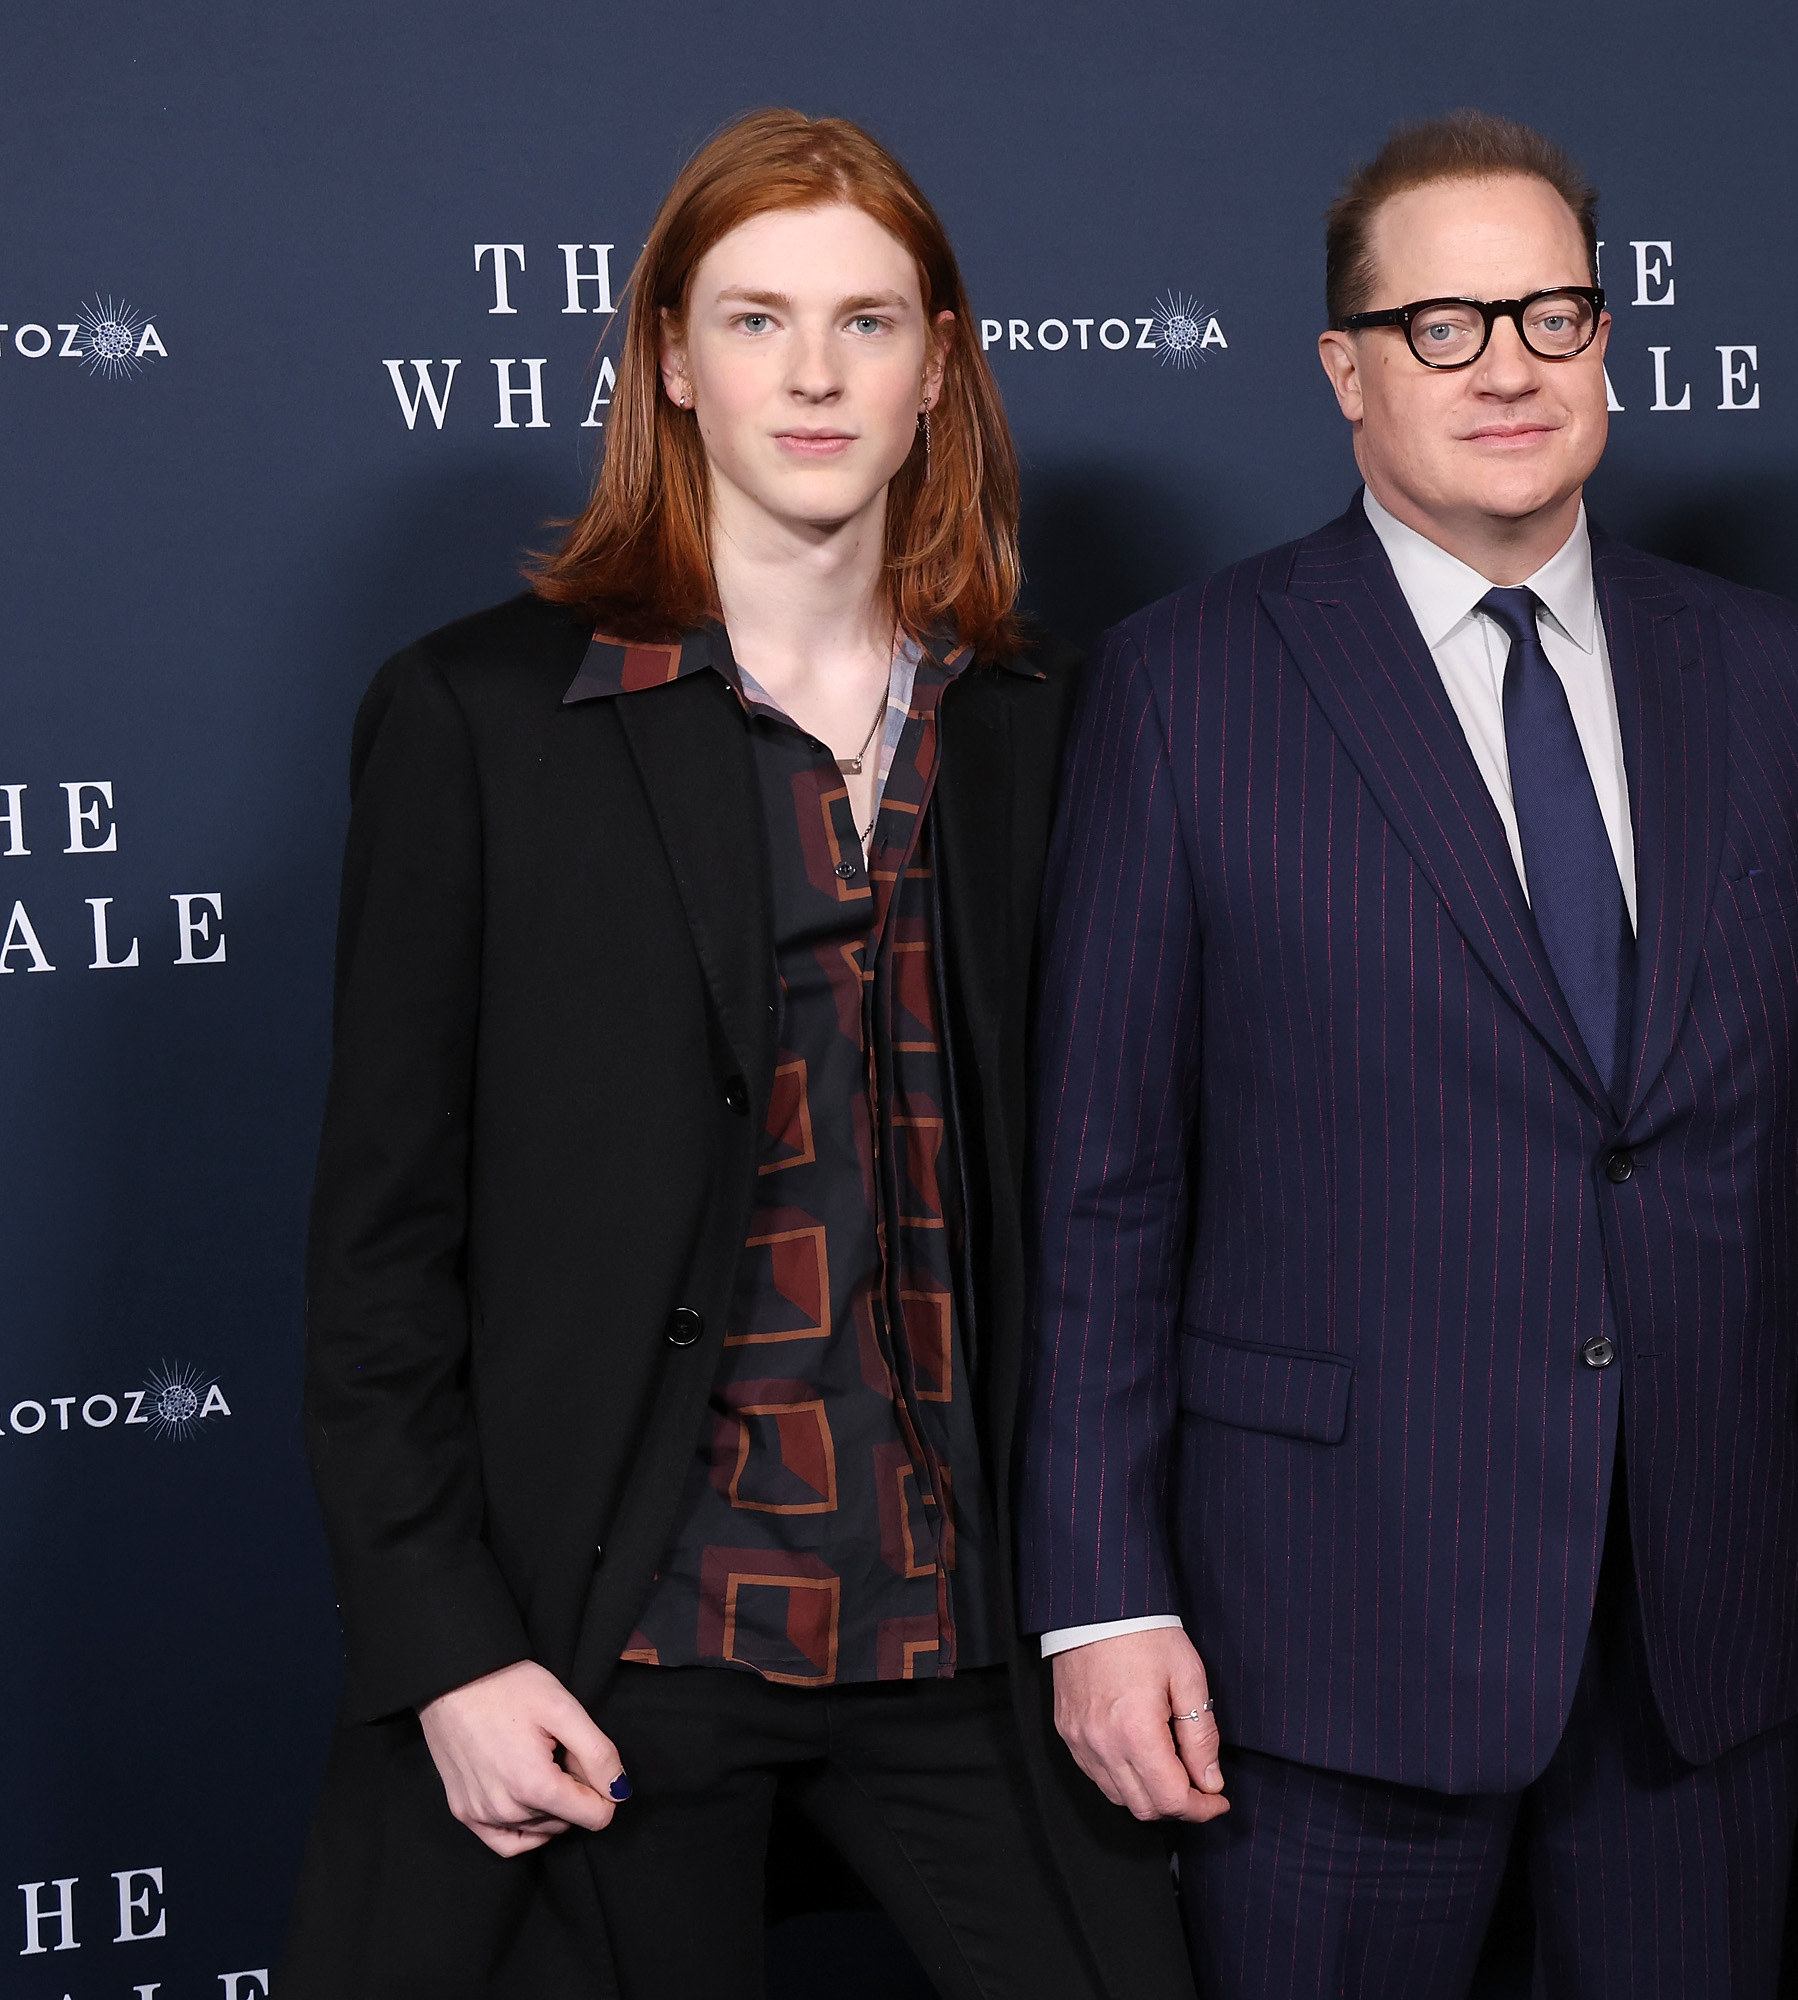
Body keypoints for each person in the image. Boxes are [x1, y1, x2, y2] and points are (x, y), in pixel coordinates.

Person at [1018, 110, 1798, 2000]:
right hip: (1322, 1624)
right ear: (1347, 369)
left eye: (1554, 317)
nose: (1510, 368)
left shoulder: (1776, 674)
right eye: (1447, 324)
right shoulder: (1185, 686)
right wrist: (1101, 1590)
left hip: (1704, 1623)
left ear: (1609, 348)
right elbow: (1105, 1185)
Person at [283, 108, 1191, 2000]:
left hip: (973, 1619)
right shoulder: (484, 722)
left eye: (867, 322)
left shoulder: (1048, 721)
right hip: (627, 1636)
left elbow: (1121, 1193)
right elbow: (381, 1248)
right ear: (671, 362)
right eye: (759, 319)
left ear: (938, 367)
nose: (814, 373)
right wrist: (448, 1647)